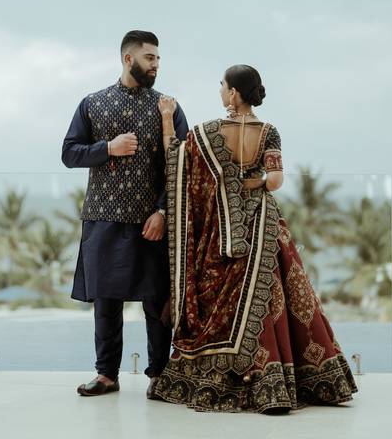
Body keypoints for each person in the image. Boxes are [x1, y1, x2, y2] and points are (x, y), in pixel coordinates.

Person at [150, 64, 357, 413]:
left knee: (222, 301)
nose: (220, 91)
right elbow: (274, 180)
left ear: (233, 93)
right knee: (275, 297)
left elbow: (175, 162)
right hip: (261, 221)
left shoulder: (206, 133)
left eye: (222, 86)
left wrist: (167, 117)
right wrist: (251, 182)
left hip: (221, 224)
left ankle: (219, 377)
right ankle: (273, 378)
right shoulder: (269, 132)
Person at [62, 30, 188, 398]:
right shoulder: (92, 104)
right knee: (106, 300)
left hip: (151, 221)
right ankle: (106, 375)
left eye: (158, 59)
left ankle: (159, 375)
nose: (156, 65)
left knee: (155, 302)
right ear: (128, 58)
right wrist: (108, 148)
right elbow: (70, 153)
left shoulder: (168, 107)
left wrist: (164, 211)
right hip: (103, 217)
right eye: (150, 58)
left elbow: (180, 164)